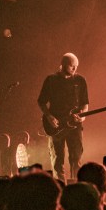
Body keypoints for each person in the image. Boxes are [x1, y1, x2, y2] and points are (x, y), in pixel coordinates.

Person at [37, 52, 89, 182]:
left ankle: (75, 187)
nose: (74, 68)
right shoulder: (51, 80)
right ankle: (59, 187)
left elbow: (85, 104)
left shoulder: (80, 81)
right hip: (56, 125)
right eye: (72, 65)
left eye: (76, 66)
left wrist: (82, 117)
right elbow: (41, 101)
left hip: (75, 126)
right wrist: (49, 117)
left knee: (76, 159)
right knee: (57, 160)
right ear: (63, 64)